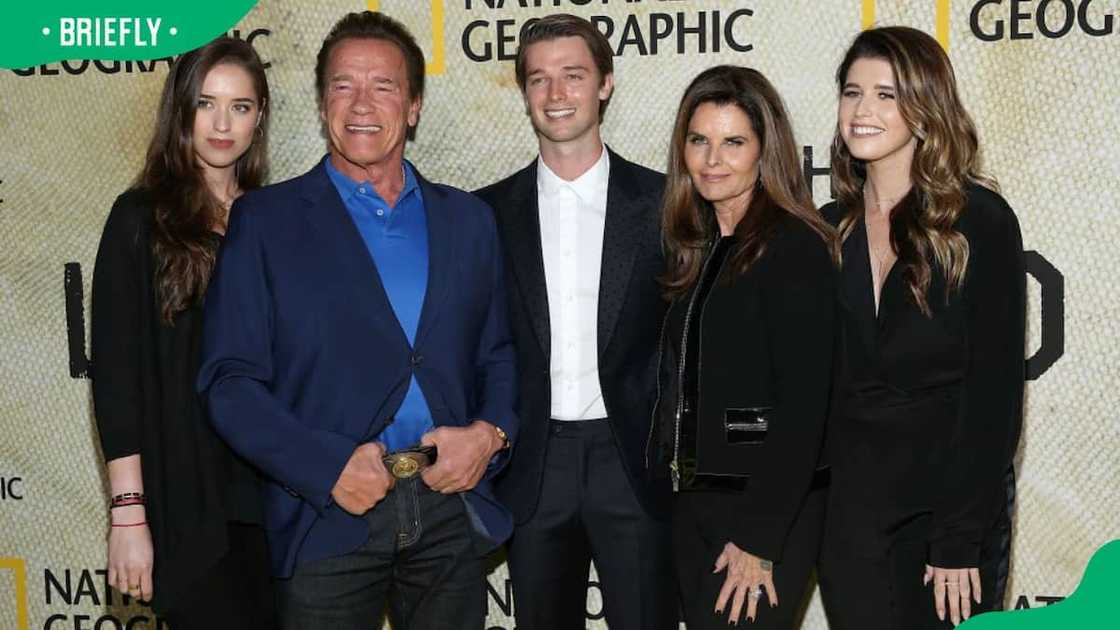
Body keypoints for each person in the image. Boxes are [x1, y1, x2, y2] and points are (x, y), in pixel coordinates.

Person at [196, 11, 518, 630]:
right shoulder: (266, 223)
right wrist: (326, 468)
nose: (362, 104)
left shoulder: (469, 221)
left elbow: (498, 352)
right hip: (328, 517)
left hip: (449, 513)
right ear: (322, 105)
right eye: (343, 86)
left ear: (415, 106)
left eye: (385, 86)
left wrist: (491, 435)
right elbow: (229, 382)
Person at [817, 26, 1025, 630]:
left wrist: (958, 538)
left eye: (887, 94)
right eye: (853, 92)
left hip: (948, 511)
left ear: (925, 104)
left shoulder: (979, 222)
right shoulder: (829, 229)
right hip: (852, 517)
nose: (864, 111)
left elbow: (993, 396)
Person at [474, 13, 677, 630]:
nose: (556, 95)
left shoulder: (665, 204)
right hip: (533, 464)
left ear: (606, 83)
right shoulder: (485, 214)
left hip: (632, 461)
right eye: (539, 79)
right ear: (525, 93)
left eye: (573, 76)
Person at [90, 37, 276, 628]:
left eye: (240, 106)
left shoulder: (276, 218)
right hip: (187, 505)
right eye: (206, 103)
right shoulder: (140, 217)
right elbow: (118, 376)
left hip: (276, 502)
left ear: (259, 118)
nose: (222, 123)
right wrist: (127, 515)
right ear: (181, 111)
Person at [646, 65, 837, 629]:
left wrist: (759, 536)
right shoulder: (699, 245)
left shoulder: (794, 246)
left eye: (733, 142)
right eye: (699, 141)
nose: (712, 160)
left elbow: (805, 408)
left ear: (764, 150)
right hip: (698, 502)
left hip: (763, 510)